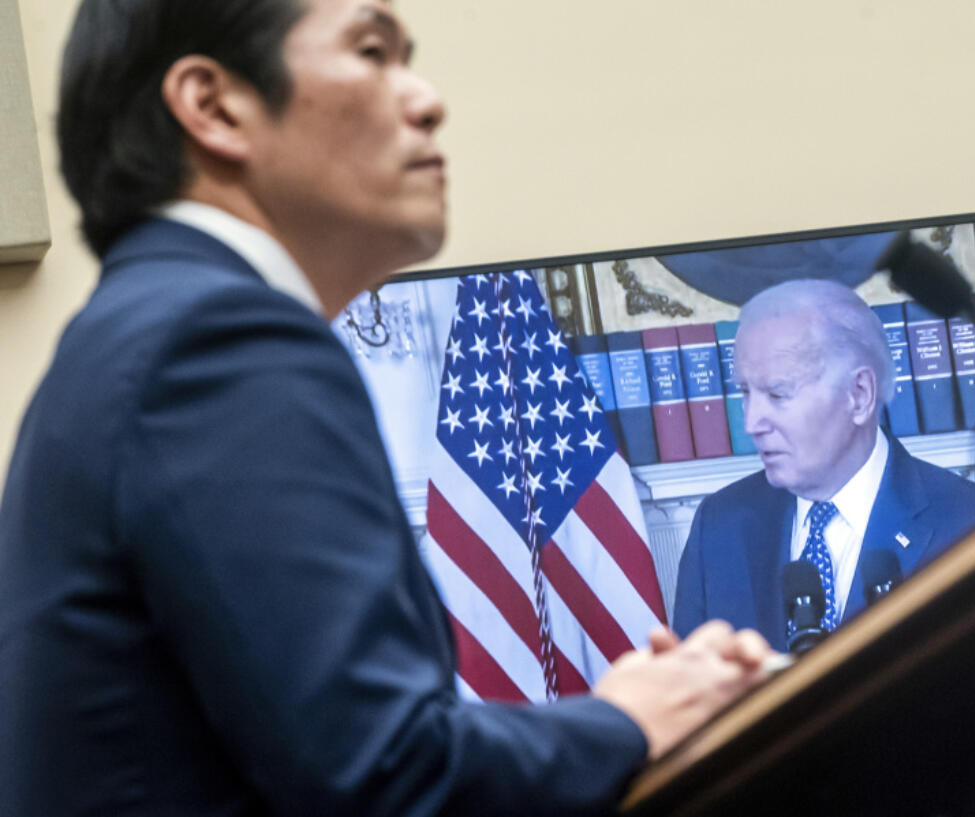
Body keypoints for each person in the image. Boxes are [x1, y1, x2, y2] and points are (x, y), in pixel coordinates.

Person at [0, 1, 773, 814]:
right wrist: (628, 722)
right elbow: (386, 774)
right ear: (213, 105)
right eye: (372, 52)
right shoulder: (216, 340)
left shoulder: (142, 333)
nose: (427, 98)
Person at [673, 279, 975, 651]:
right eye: (746, 393)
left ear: (859, 394)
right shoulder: (718, 528)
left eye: (778, 394)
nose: (752, 423)